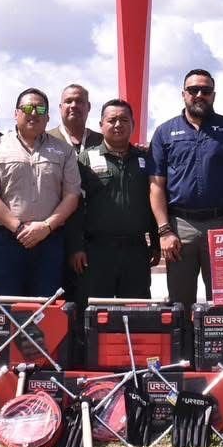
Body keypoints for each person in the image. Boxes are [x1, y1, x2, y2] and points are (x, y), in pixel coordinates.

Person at [148, 69, 223, 306]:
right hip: (179, 227)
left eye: (205, 90)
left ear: (213, 95)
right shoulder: (164, 132)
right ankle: (184, 334)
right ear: (183, 94)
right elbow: (156, 186)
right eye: (193, 90)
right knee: (180, 305)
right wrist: (164, 231)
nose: (199, 95)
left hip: (221, 225)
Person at [0, 88, 81, 295]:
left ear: (48, 117)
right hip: (6, 240)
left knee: (46, 305)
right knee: (6, 304)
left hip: (49, 240)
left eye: (40, 109)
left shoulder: (64, 150)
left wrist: (46, 227)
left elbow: (72, 195)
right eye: (27, 108)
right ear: (16, 113)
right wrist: (18, 228)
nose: (33, 113)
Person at [67, 99, 158, 300]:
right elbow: (74, 206)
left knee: (136, 310)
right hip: (96, 251)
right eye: (112, 120)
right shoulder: (84, 160)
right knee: (95, 311)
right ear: (101, 125)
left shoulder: (145, 159)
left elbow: (153, 202)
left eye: (124, 120)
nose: (118, 125)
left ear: (133, 124)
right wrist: (76, 247)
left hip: (136, 250)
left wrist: (156, 242)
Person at [48, 83, 103, 152]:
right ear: (60, 107)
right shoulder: (45, 139)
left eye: (79, 101)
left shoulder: (103, 142)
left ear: (88, 107)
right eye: (68, 101)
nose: (73, 105)